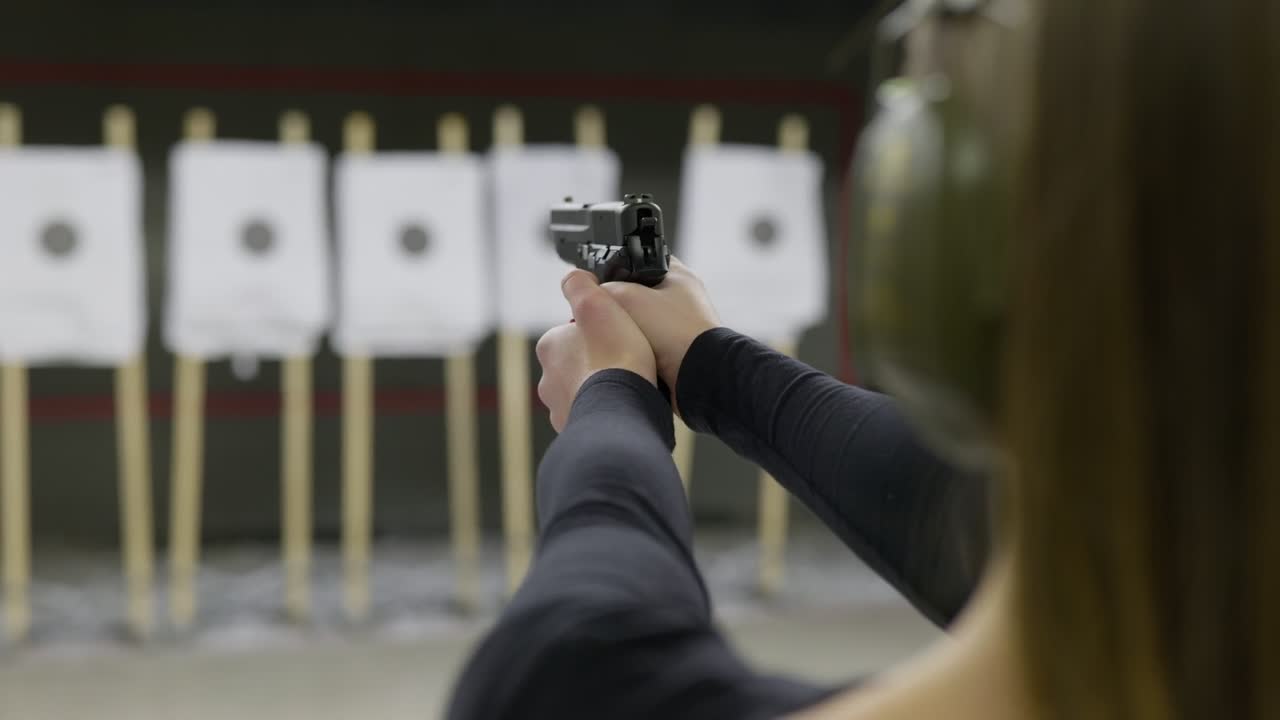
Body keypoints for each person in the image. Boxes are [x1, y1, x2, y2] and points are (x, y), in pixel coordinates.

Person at [449, 0, 1278, 717]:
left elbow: (571, 668)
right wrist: (707, 362)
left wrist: (610, 403)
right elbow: (968, 516)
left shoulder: (563, 689)